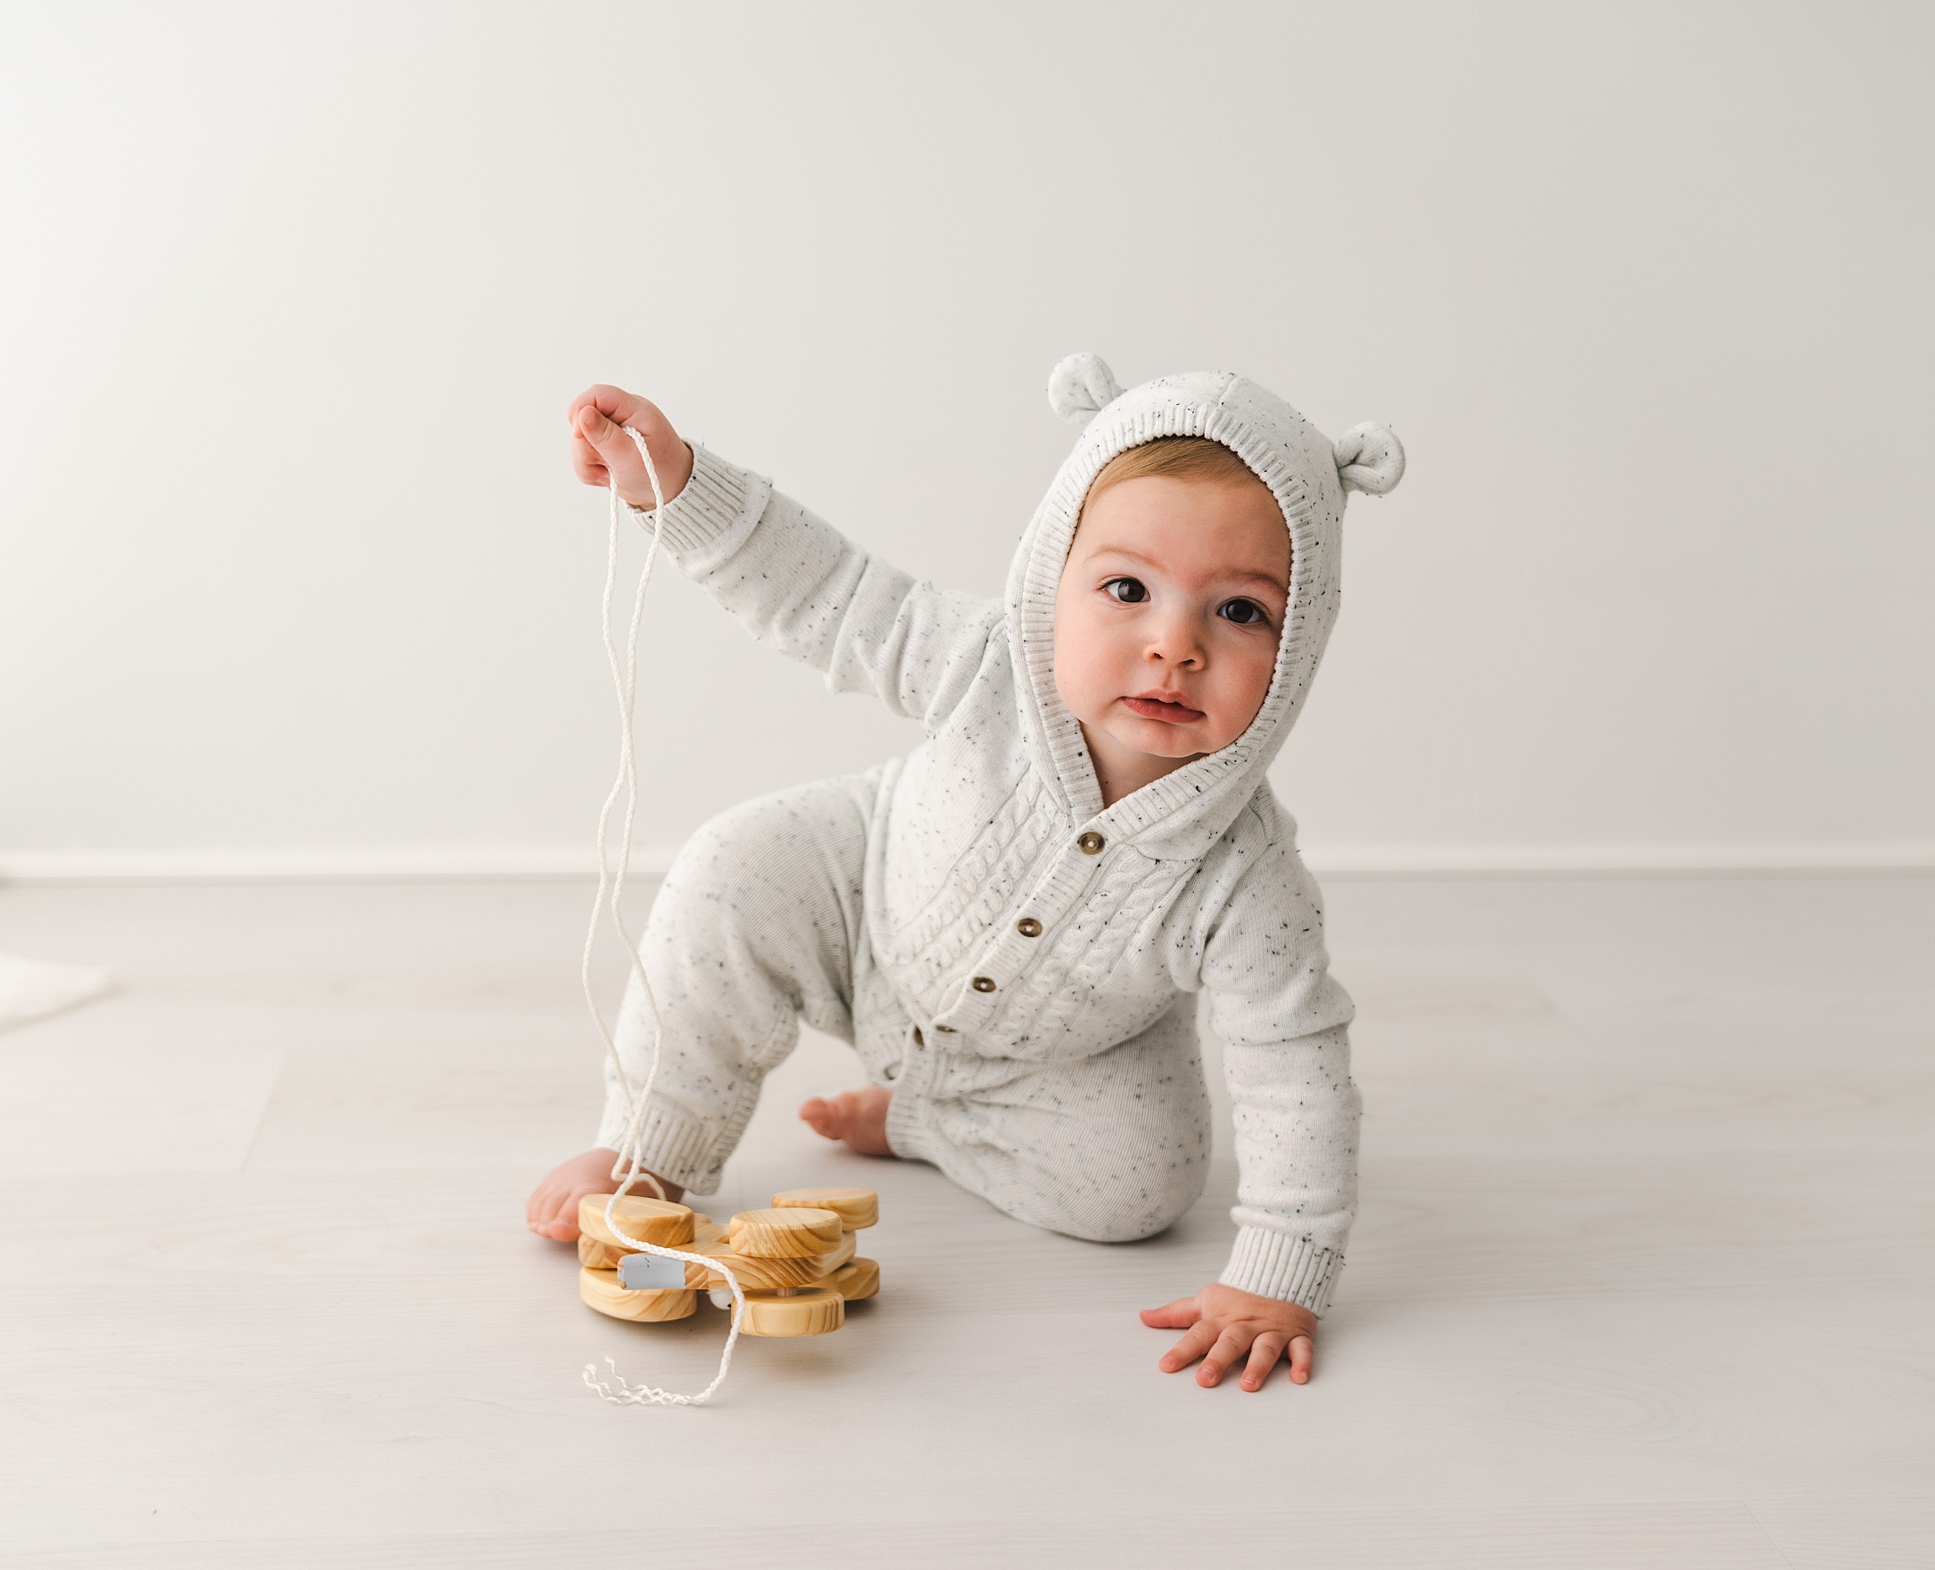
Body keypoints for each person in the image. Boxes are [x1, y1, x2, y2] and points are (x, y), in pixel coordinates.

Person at [526, 355, 1403, 1392]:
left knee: (1143, 1190)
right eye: (1126, 589)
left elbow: (1292, 1065)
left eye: (1241, 613)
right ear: (1051, 578)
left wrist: (1280, 1270)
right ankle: (648, 1150)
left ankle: (919, 1119)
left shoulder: (1247, 875)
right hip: (859, 915)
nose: (1174, 647)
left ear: (1299, 644)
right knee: (735, 866)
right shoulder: (984, 660)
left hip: (1058, 1056)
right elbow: (827, 591)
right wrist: (675, 485)